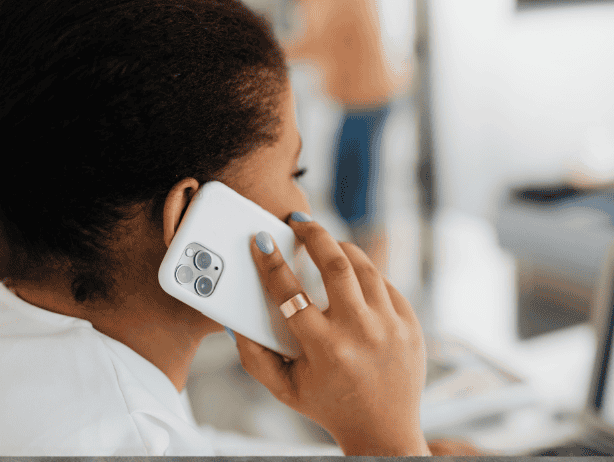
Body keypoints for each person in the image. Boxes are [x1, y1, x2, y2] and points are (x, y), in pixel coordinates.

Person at [0, 0, 472, 456]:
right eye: (295, 174)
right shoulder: (120, 439)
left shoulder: (50, 341)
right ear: (188, 216)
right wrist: (388, 446)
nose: (304, 206)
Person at [282, 0, 409, 274]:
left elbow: (318, 42)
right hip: (359, 100)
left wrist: (268, 48)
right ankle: (368, 270)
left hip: (369, 99)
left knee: (353, 198)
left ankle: (372, 276)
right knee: (349, 195)